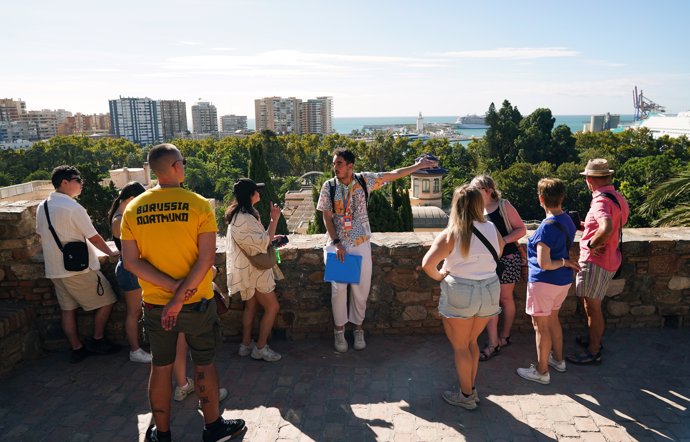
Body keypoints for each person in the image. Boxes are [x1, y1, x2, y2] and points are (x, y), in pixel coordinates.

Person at [121, 144, 245, 442]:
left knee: (161, 367)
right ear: (176, 166)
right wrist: (180, 297)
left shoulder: (134, 208)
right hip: (197, 303)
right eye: (184, 162)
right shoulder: (199, 204)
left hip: (155, 307)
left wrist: (169, 293)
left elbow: (131, 262)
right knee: (204, 362)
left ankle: (161, 434)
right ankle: (213, 427)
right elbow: (206, 259)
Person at [317, 149, 438, 352]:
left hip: (361, 243)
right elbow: (327, 217)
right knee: (338, 290)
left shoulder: (364, 181)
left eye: (339, 163)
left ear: (350, 166)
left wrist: (417, 167)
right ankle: (339, 333)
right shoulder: (328, 186)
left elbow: (393, 174)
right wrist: (337, 242)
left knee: (361, 289)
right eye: (334, 164)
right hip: (339, 245)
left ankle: (358, 330)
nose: (335, 167)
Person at [422, 185, 503, 410]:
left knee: (460, 347)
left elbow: (427, 265)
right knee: (471, 342)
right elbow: (500, 250)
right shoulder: (492, 228)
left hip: (461, 291)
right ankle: (471, 389)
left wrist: (440, 275)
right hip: (489, 290)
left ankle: (466, 395)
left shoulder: (452, 234)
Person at [36, 165, 120, 363]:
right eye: (77, 180)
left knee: (68, 309)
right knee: (108, 300)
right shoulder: (73, 208)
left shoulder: (43, 206)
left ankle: (77, 348)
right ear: (64, 183)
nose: (81, 183)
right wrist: (113, 253)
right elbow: (96, 238)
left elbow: (40, 235)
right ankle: (97, 339)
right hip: (78, 269)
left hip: (55, 269)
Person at [516, 179, 580, 385]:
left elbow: (544, 263)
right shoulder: (568, 220)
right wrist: (566, 263)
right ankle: (558, 360)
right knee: (553, 320)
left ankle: (542, 371)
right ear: (562, 198)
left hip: (544, 282)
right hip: (562, 282)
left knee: (541, 327)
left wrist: (563, 262)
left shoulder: (546, 227)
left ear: (541, 199)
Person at [567, 159, 629, 365]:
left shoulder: (600, 201)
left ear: (590, 179)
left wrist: (593, 243)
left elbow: (607, 227)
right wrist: (587, 227)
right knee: (592, 305)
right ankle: (594, 340)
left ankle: (594, 351)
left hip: (596, 261)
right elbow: (617, 224)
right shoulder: (617, 198)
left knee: (592, 307)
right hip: (611, 258)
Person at [225, 178, 286, 362]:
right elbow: (262, 243)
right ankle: (260, 348)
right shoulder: (245, 218)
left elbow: (257, 240)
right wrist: (274, 219)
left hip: (245, 268)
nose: (259, 193)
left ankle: (245, 345)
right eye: (256, 191)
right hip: (255, 270)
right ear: (250, 195)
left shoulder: (240, 215)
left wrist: (272, 237)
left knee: (251, 306)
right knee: (273, 307)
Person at [470, 175, 526, 361]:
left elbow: (521, 229)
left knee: (505, 298)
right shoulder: (474, 208)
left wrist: (502, 241)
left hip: (507, 259)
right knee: (491, 302)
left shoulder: (503, 206)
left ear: (488, 190)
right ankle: (495, 340)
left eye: (475, 189)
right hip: (486, 262)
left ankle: (504, 337)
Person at [108, 181, 152, 364]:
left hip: (133, 268)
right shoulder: (119, 220)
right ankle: (135, 350)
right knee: (134, 312)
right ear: (132, 199)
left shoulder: (123, 215)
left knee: (139, 311)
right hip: (129, 269)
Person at [173, 266, 228, 404]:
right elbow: (209, 271)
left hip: (170, 299)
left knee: (179, 347)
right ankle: (209, 394)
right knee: (203, 353)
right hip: (195, 302)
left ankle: (182, 386)